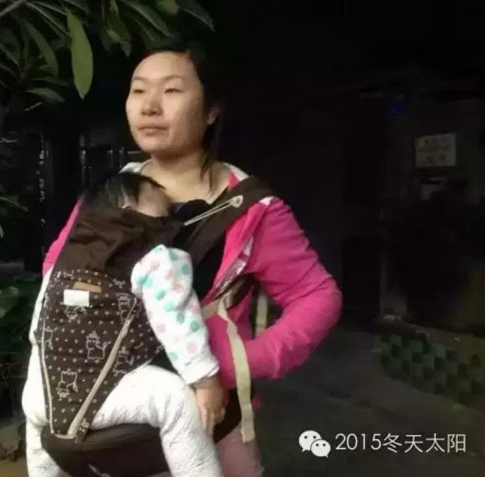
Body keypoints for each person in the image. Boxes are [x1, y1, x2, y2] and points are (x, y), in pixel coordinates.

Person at [25, 37, 342, 476]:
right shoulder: (111, 192)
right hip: (107, 413)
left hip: (210, 421)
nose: (149, 106)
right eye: (139, 90)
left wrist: (240, 364)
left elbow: (318, 296)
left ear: (211, 110)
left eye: (171, 90)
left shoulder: (251, 208)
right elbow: (57, 269)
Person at [26, 172, 227, 477]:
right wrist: (205, 380)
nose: (170, 213)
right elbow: (176, 319)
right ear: (129, 209)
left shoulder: (65, 258)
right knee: (177, 399)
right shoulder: (157, 255)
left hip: (40, 397)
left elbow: (38, 328)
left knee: (40, 442)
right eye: (162, 205)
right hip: (105, 393)